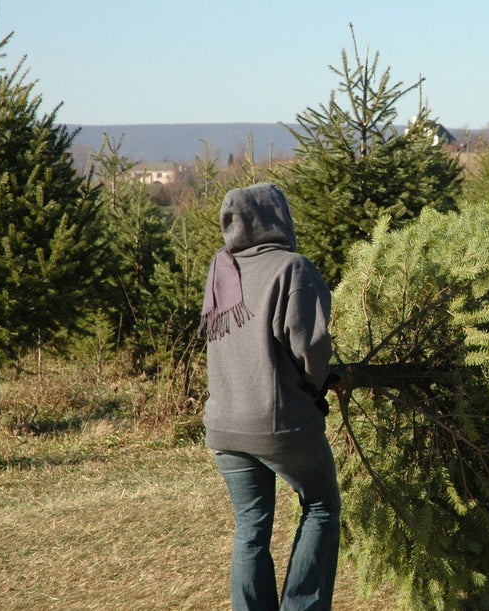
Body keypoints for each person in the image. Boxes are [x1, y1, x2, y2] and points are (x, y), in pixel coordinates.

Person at [201, 182, 341, 610]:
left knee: (251, 528)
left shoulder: (220, 267)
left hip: (224, 426)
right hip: (279, 424)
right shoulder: (292, 268)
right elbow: (311, 349)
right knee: (321, 507)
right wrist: (315, 389)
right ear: (277, 216)